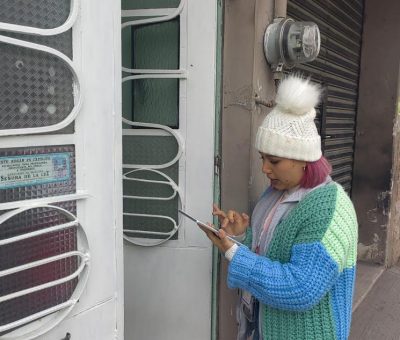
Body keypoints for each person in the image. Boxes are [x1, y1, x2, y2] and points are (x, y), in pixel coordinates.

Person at [201, 75, 358, 340]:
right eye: (263, 158)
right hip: (262, 328)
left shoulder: (330, 208)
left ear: (304, 159)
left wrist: (234, 254)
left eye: (274, 160)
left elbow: (301, 288)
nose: (264, 169)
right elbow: (269, 256)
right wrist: (239, 238)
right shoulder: (275, 193)